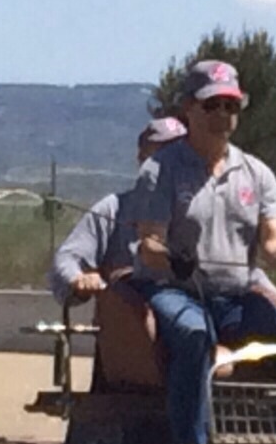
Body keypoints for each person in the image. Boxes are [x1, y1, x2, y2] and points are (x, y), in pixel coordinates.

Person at [128, 60, 276, 444]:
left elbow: (275, 246)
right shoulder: (159, 170)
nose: (222, 114)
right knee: (195, 336)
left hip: (238, 299)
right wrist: (174, 260)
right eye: (211, 105)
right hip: (176, 292)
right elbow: (149, 246)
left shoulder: (256, 174)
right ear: (188, 107)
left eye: (231, 106)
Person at [48, 117, 188, 304]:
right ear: (142, 159)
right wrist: (79, 279)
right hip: (131, 317)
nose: (172, 161)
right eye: (162, 153)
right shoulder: (112, 209)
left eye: (180, 153)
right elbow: (67, 258)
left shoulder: (206, 209)